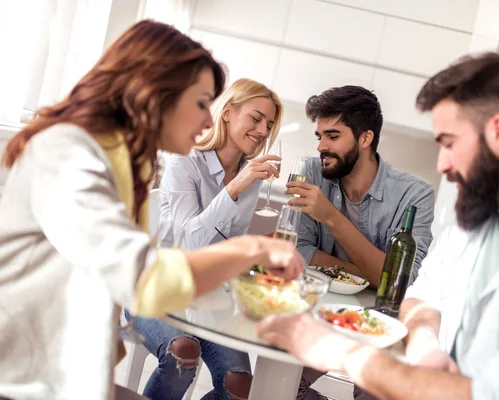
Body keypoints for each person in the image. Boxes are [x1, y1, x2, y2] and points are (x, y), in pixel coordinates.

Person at [257, 49, 499, 399]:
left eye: (449, 143)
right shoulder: (479, 216)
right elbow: (424, 293)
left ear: (498, 131)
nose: (443, 164)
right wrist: (424, 346)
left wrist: (342, 352)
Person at [0, 20, 304, 400]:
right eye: (200, 103)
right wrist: (253, 250)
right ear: (153, 92)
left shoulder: (128, 164)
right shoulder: (69, 155)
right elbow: (142, 278)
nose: (208, 120)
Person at [127, 78, 284, 400]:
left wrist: (256, 248)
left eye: (269, 124)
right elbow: (189, 245)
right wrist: (233, 188)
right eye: (256, 118)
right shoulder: (184, 162)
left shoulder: (249, 177)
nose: (263, 130)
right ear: (227, 113)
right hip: (156, 287)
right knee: (183, 355)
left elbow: (226, 245)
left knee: (241, 387)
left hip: (210, 298)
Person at [285, 85, 435, 399]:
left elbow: (400, 281)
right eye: (320, 136)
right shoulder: (312, 172)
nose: (322, 146)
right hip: (321, 314)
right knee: (280, 384)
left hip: (381, 325)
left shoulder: (414, 195)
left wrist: (331, 217)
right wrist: (369, 274)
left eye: (333, 136)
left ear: (365, 138)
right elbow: (299, 251)